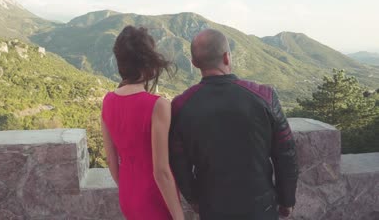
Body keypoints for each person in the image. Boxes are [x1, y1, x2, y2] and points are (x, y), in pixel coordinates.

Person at [169, 29, 299, 220]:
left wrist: (194, 199)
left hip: (213, 207)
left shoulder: (180, 105)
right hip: (261, 207)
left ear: (194, 63)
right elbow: (286, 153)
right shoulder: (265, 96)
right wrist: (287, 200)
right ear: (227, 57)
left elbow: (179, 162)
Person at [101, 25, 184, 220]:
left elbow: (112, 161)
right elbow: (161, 171)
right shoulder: (158, 106)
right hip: (154, 198)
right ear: (148, 63)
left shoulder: (108, 101)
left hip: (128, 195)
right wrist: (180, 217)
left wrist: (130, 190)